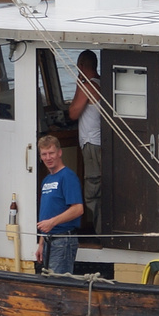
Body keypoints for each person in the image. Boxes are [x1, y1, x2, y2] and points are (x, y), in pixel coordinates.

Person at [36, 135, 84, 274]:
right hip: (48, 241)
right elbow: (46, 213)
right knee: (49, 284)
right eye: (44, 154)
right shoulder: (46, 181)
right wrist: (41, 243)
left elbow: (78, 209)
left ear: (59, 152)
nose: (48, 157)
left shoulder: (68, 177)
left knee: (58, 286)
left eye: (51, 153)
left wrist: (52, 222)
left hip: (63, 240)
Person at [66, 50, 102, 235]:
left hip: (91, 145)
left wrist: (79, 84)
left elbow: (73, 112)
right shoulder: (100, 82)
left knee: (92, 192)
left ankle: (101, 234)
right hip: (99, 144)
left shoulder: (88, 85)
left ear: (81, 66)